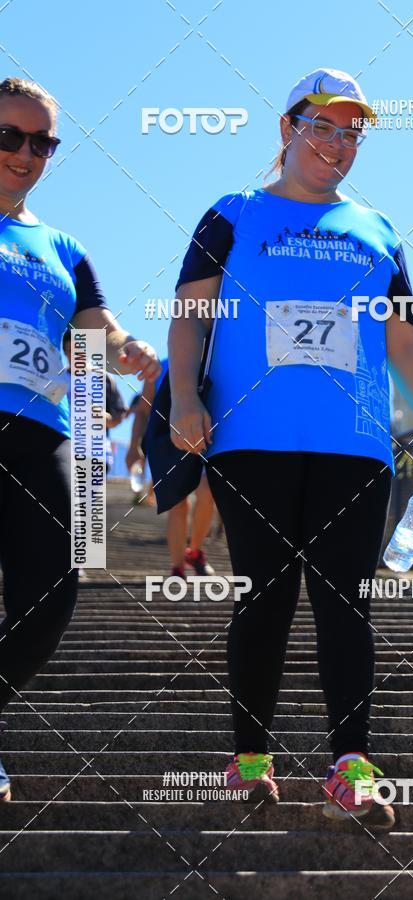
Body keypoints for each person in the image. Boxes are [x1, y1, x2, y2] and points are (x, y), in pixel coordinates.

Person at [168, 67, 413, 830]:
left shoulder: (377, 231)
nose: (337, 142)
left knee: (346, 603)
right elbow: (190, 318)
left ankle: (350, 768)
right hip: (251, 441)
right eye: (322, 125)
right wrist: (188, 395)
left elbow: (404, 338)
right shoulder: (230, 214)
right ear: (288, 127)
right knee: (265, 594)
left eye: (350, 131)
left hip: (355, 445)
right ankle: (250, 762)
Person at [0, 77, 161, 801]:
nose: (26, 153)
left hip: (38, 430)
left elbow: (96, 326)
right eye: (11, 136)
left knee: (55, 587)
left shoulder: (62, 246)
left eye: (43, 142)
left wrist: (130, 351)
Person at [126, 362, 215, 576]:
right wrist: (133, 447)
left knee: (207, 492)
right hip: (169, 442)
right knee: (177, 502)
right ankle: (177, 567)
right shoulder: (158, 367)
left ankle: (193, 551)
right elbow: (144, 410)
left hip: (207, 437)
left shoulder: (214, 358)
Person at [63, 329, 128, 473]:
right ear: (65, 353)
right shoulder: (58, 379)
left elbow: (118, 416)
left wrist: (99, 415)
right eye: (70, 350)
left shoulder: (104, 379)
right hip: (64, 449)